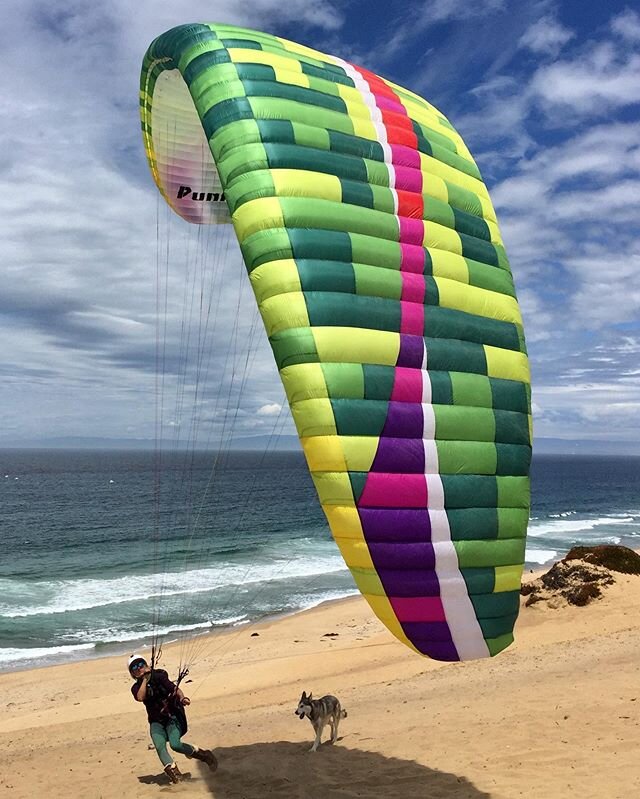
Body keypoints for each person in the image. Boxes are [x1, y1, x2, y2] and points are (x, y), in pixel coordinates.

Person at [128, 654, 217, 783]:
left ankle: (204, 755)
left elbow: (175, 689)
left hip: (171, 717)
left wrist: (182, 698)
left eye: (141, 664)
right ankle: (176, 776)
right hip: (156, 721)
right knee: (159, 746)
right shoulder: (135, 687)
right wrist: (145, 680)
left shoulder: (159, 676)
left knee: (175, 744)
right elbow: (141, 697)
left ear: (146, 665)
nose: (139, 668)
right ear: (132, 673)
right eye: (135, 668)